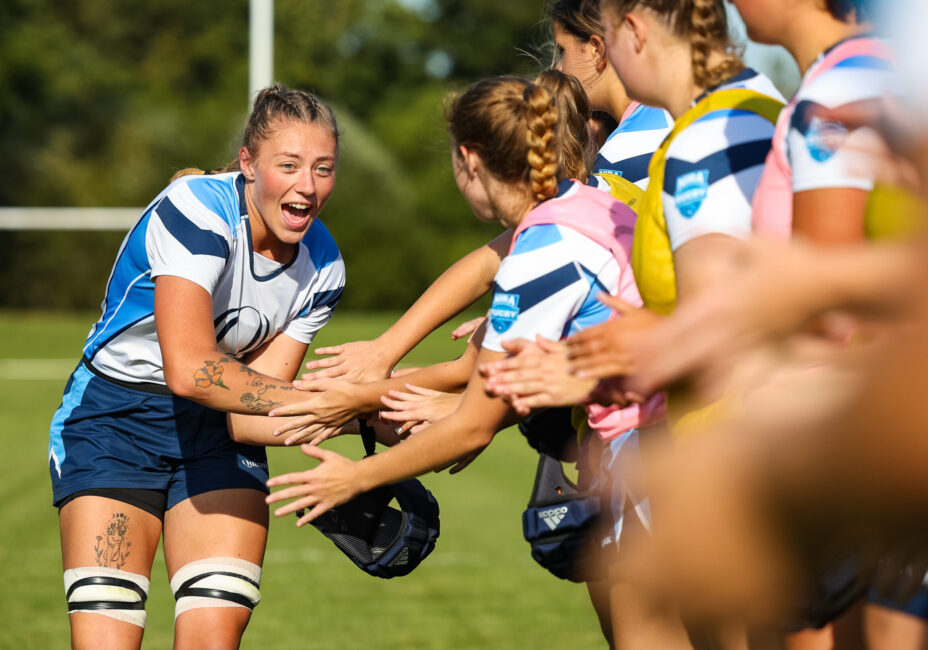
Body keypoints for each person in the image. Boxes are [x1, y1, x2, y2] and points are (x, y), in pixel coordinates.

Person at [266, 74, 688, 650]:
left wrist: (354, 476)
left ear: (469, 161)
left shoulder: (541, 250)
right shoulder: (584, 205)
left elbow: (472, 427)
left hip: (653, 459)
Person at [47, 84, 345, 649]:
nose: (307, 186)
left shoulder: (324, 264)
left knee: (213, 638)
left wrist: (367, 418)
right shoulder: (197, 210)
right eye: (289, 165)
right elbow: (191, 370)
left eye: (324, 169)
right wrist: (335, 403)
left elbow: (255, 414)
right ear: (248, 163)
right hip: (115, 419)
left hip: (217, 433)